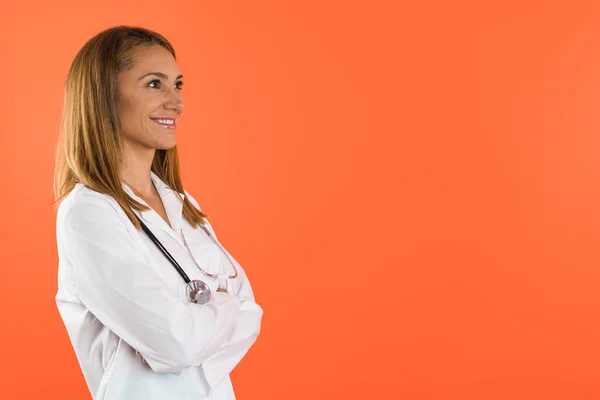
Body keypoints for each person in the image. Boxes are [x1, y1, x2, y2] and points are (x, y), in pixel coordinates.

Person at [53, 26, 263, 399]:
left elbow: (253, 314)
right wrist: (222, 306)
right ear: (102, 96)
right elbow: (176, 344)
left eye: (177, 85)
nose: (176, 102)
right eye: (154, 84)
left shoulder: (185, 206)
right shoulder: (87, 214)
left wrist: (196, 326)